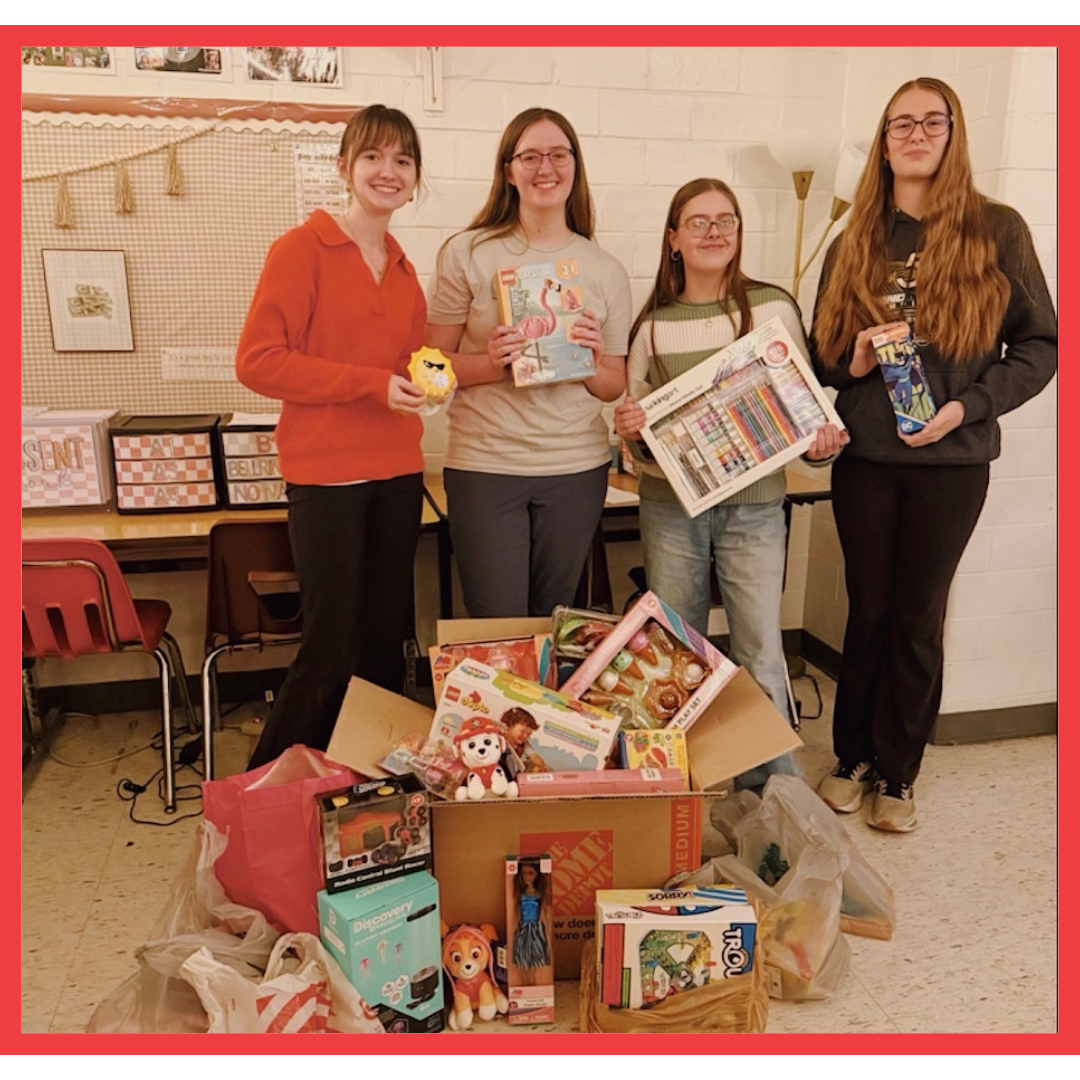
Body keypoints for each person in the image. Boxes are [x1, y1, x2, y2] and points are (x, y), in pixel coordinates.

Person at [809, 77, 1057, 832]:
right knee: (868, 612)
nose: (915, 135)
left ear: (953, 134)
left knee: (918, 616)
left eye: (931, 122)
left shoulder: (998, 229)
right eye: (900, 125)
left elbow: (1040, 345)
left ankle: (898, 772)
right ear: (883, 144)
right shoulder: (854, 235)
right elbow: (822, 357)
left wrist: (966, 407)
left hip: (954, 463)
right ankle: (851, 758)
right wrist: (851, 362)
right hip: (867, 461)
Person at [613, 178, 846, 791]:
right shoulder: (653, 326)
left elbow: (805, 411)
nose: (714, 232)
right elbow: (637, 442)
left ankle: (773, 795)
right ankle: (675, 790)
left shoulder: (773, 308)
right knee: (675, 653)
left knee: (761, 651)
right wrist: (631, 428)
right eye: (698, 222)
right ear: (673, 238)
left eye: (726, 220)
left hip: (756, 510)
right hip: (672, 511)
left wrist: (820, 441)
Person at [236, 105, 429, 768]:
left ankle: (364, 786)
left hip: (398, 473)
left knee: (385, 643)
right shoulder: (302, 249)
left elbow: (410, 366)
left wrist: (459, 372)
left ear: (416, 179)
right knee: (329, 648)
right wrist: (372, 384)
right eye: (373, 156)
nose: (388, 171)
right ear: (345, 167)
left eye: (403, 160)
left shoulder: (403, 269)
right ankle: (261, 794)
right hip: (326, 479)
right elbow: (258, 362)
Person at [426, 107, 633, 618]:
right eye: (531, 156)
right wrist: (489, 363)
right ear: (509, 170)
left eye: (559, 155)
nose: (546, 168)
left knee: (554, 621)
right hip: (486, 466)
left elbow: (613, 385)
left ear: (575, 165)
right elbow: (429, 367)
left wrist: (590, 362)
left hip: (576, 469)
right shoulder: (467, 253)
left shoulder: (605, 269)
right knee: (497, 626)